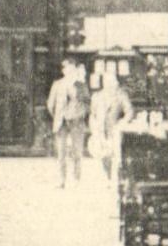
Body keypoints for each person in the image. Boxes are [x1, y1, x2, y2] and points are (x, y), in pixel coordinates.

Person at [46, 59, 90, 187]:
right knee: (61, 153)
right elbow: (50, 104)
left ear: (75, 70)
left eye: (72, 69)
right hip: (61, 123)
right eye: (67, 69)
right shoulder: (57, 84)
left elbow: (87, 103)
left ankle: (76, 179)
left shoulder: (81, 85)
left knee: (77, 152)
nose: (69, 72)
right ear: (63, 71)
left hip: (77, 122)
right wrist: (58, 116)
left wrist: (80, 114)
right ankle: (61, 180)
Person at [89, 69, 134, 181]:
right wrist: (94, 129)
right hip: (100, 131)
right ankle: (109, 178)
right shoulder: (96, 96)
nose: (111, 84)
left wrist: (122, 123)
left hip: (115, 130)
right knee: (104, 156)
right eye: (108, 81)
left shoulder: (121, 95)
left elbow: (130, 112)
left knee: (116, 156)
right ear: (104, 82)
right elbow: (92, 114)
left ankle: (119, 180)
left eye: (113, 81)